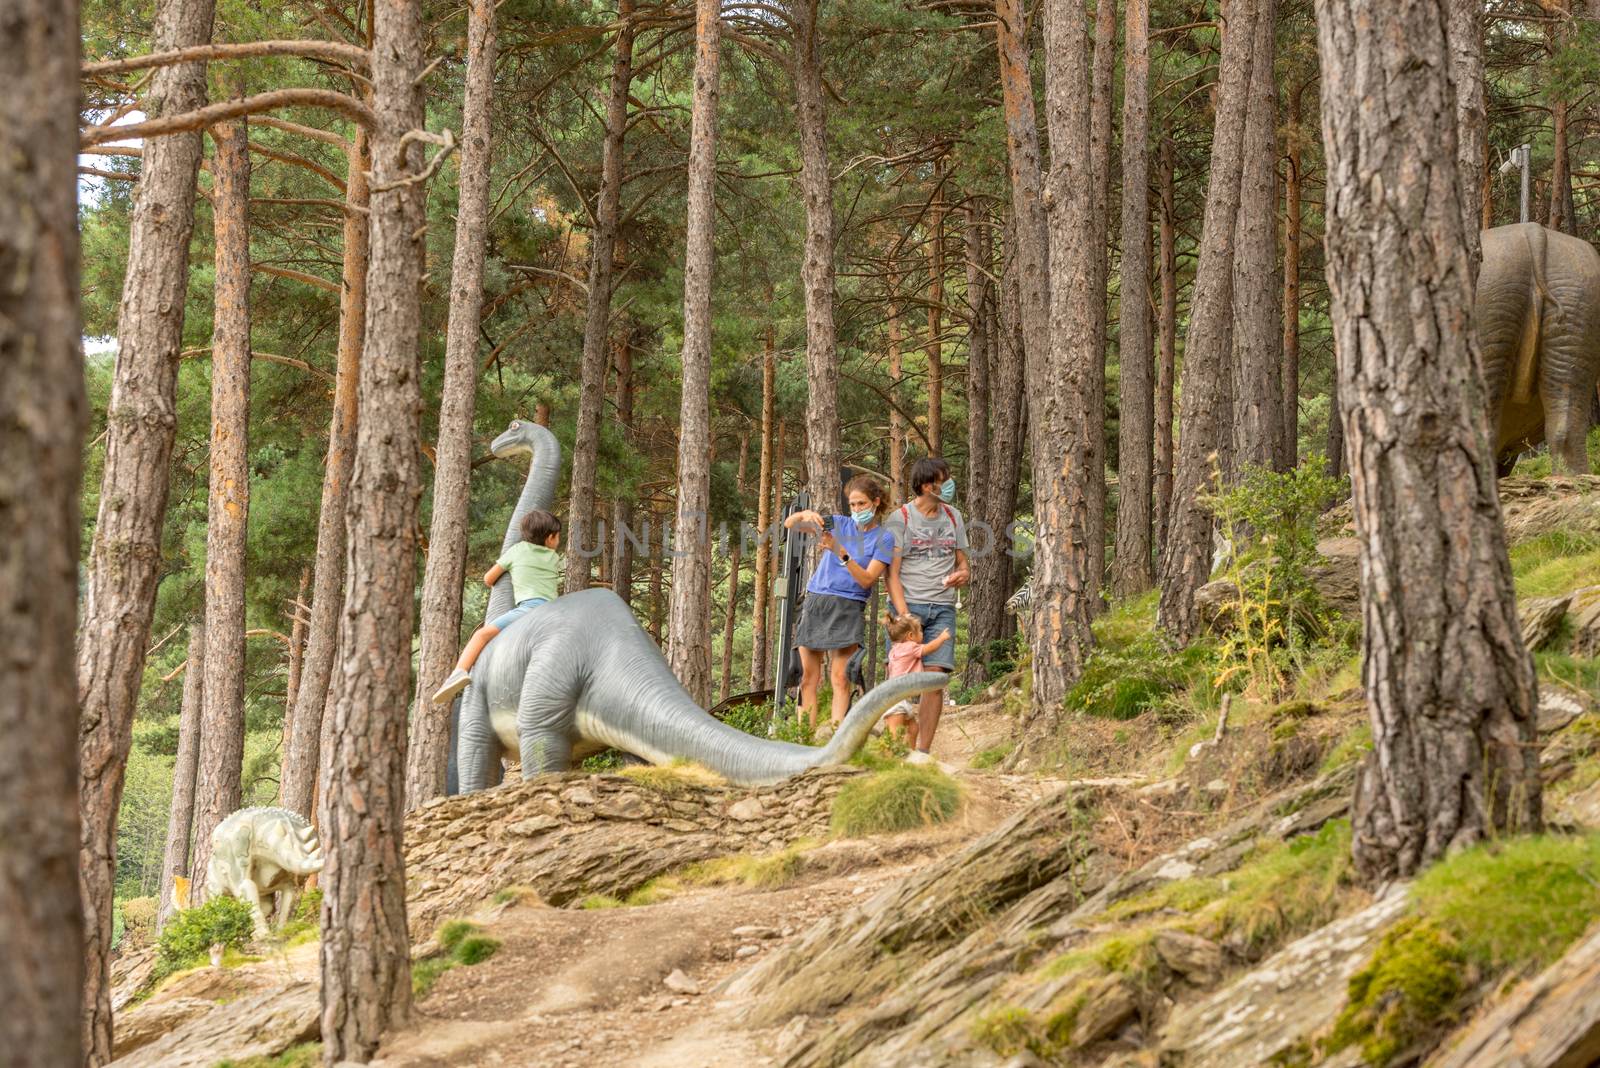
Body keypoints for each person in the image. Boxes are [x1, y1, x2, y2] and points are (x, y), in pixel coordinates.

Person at [785, 475, 895, 733]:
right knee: (807, 678)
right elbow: (790, 524)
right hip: (816, 601)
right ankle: (805, 741)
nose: (856, 509)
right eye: (852, 504)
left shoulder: (885, 539)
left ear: (876, 503)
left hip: (848, 605)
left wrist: (841, 552)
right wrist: (805, 514)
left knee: (841, 678)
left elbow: (868, 580)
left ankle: (837, 739)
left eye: (861, 504)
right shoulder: (839, 523)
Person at [885, 457, 970, 763]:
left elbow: (962, 561)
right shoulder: (901, 519)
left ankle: (922, 753)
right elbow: (891, 574)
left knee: (934, 681)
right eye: (943, 480)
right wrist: (906, 617)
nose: (949, 484)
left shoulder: (953, 516)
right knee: (900, 682)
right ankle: (896, 752)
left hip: (943, 608)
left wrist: (963, 573)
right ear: (925, 485)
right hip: (909, 609)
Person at [431, 509, 562, 704]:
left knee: (481, 635)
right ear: (550, 538)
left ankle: (459, 672)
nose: (558, 541)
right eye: (558, 536)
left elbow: (488, 578)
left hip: (529, 609)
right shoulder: (554, 558)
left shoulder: (517, 551)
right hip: (553, 613)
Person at [881, 612, 953, 741]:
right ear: (910, 636)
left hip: (897, 697)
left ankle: (909, 756)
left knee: (913, 729)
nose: (922, 634)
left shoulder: (895, 649)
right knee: (893, 734)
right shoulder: (910, 647)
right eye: (920, 631)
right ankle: (888, 758)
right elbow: (928, 648)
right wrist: (941, 638)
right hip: (896, 699)